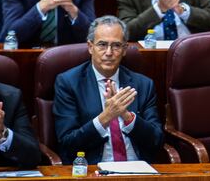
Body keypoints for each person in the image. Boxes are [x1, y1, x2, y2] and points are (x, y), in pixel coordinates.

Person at [53, 15, 163, 164]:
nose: (109, 52)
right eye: (102, 45)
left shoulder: (143, 84)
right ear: (90, 47)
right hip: (92, 170)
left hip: (137, 168)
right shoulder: (69, 83)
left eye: (116, 45)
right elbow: (68, 143)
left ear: (124, 49)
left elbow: (157, 140)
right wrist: (106, 117)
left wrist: (126, 116)